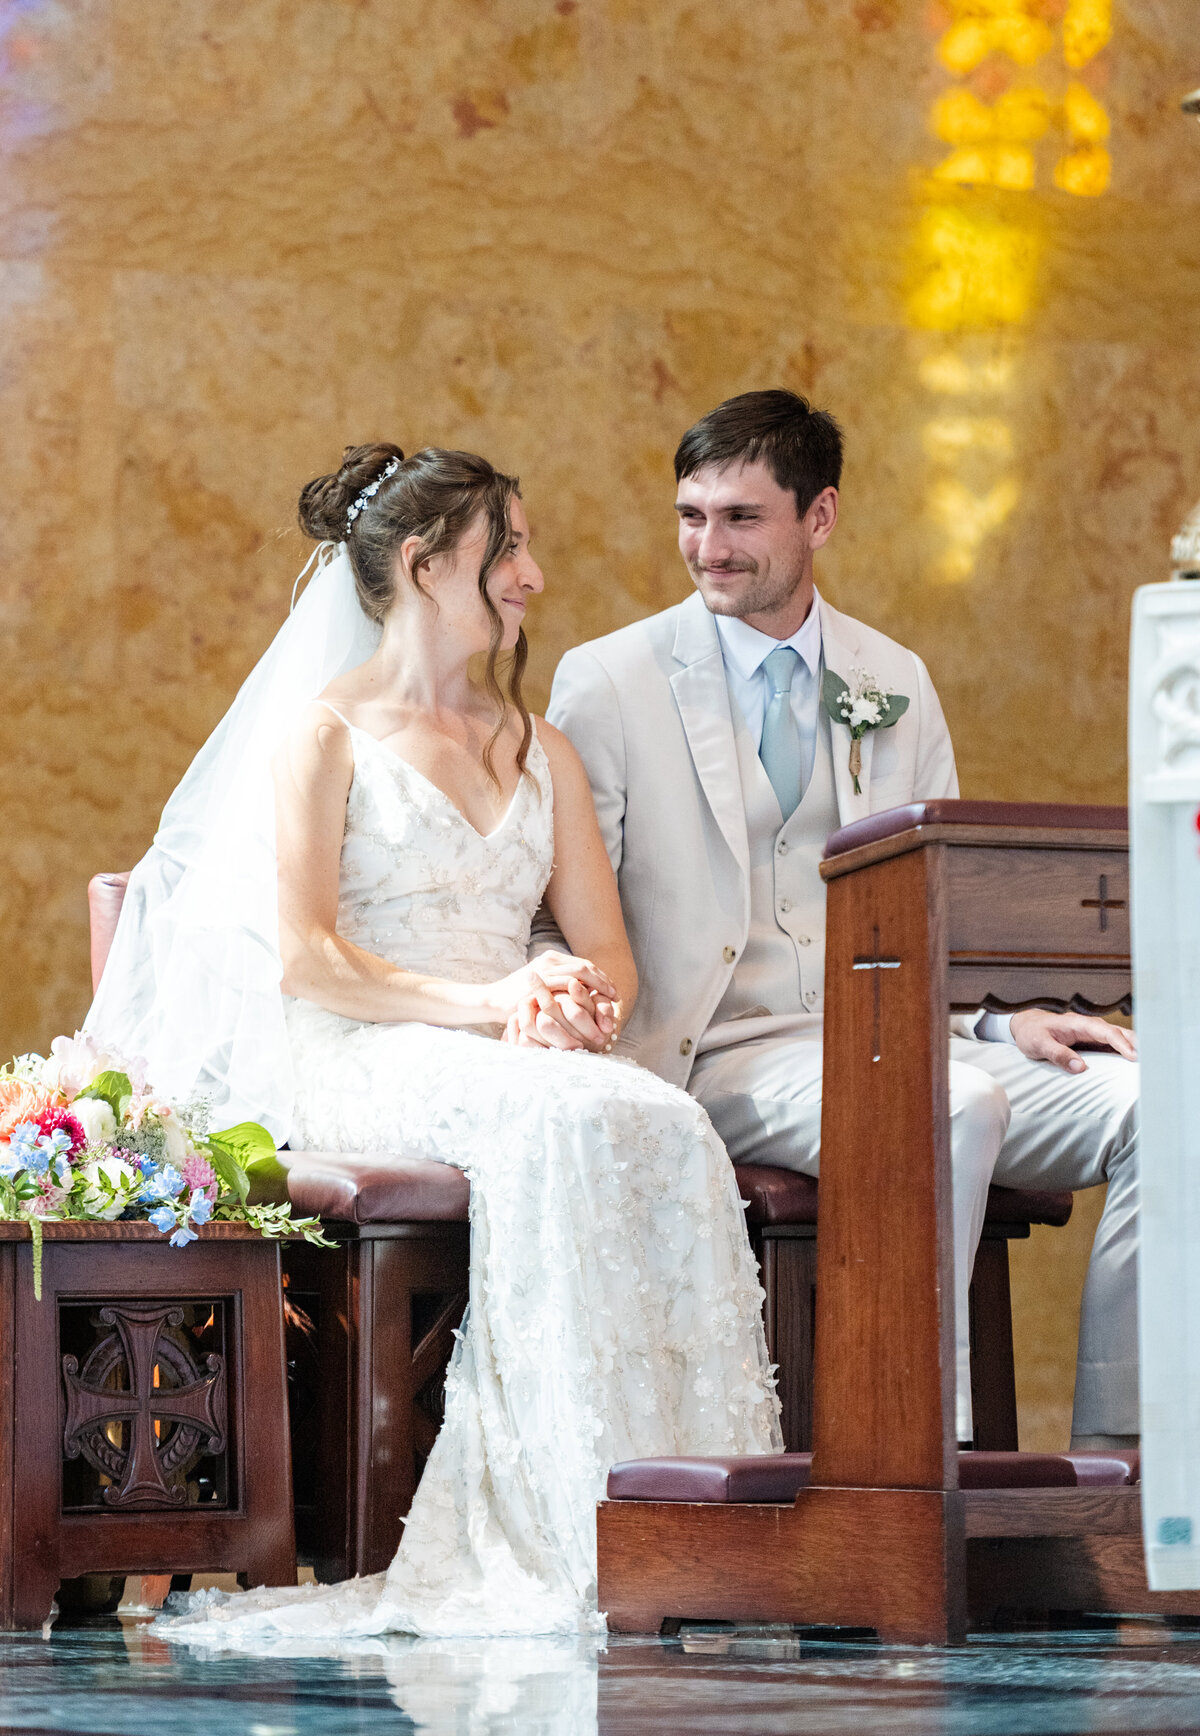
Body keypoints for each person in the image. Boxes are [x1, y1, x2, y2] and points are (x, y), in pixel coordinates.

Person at [91, 442, 781, 1643]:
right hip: (359, 1045)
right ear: (423, 565)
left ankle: (708, 1529)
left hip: (503, 1046)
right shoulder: (324, 737)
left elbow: (609, 958)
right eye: (507, 548)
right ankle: (572, 1525)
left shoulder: (540, 748)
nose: (534, 575)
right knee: (563, 1120)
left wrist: (577, 1002)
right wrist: (495, 1004)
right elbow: (310, 959)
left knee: (664, 1115)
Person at [535, 389, 1139, 1451]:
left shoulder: (891, 677)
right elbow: (556, 905)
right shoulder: (611, 680)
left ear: (821, 516)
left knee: (1167, 1104)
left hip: (899, 1035)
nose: (708, 548)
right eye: (691, 517)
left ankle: (1130, 1462)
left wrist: (999, 1020)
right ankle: (919, 1459)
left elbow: (941, 897)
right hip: (714, 1050)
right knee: (946, 1106)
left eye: (741, 519)